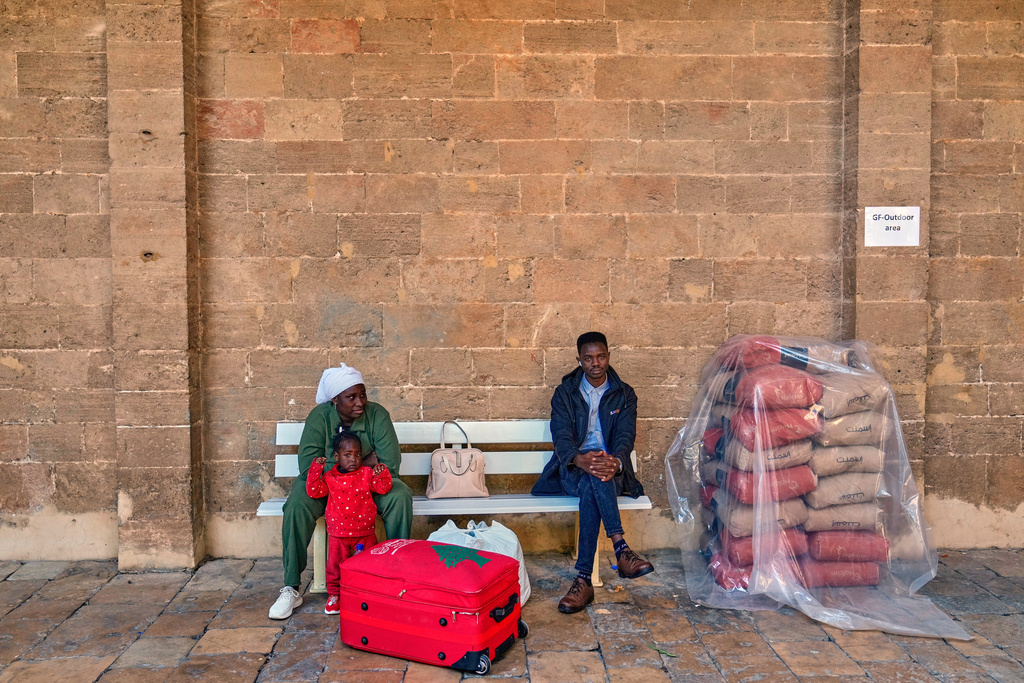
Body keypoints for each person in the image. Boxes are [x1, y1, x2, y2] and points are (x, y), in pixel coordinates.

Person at [269, 363, 413, 620]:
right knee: (296, 504)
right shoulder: (319, 417)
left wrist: (341, 466)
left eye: (362, 394)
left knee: (400, 495)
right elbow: (308, 466)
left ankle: (396, 577)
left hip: (368, 485)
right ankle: (291, 587)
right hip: (328, 486)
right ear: (335, 399)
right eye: (351, 397)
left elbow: (389, 463)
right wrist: (362, 462)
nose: (360, 402)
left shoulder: (377, 415)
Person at [532, 331, 653, 614]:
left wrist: (615, 461)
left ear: (609, 356)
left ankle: (583, 580)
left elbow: (625, 436)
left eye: (600, 356)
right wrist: (579, 459)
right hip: (573, 468)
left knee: (596, 481)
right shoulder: (565, 393)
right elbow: (560, 436)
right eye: (588, 358)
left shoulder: (625, 393)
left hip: (611, 469)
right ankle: (621, 549)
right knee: (591, 478)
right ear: (579, 360)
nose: (595, 363)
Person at [306, 430, 392, 615]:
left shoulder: (367, 474)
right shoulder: (329, 477)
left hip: (365, 533)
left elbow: (383, 488)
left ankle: (369, 594)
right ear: (336, 456)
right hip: (339, 535)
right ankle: (335, 595)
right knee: (335, 567)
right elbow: (314, 491)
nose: (353, 459)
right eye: (347, 455)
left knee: (370, 565)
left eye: (358, 454)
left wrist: (381, 472)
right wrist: (315, 469)